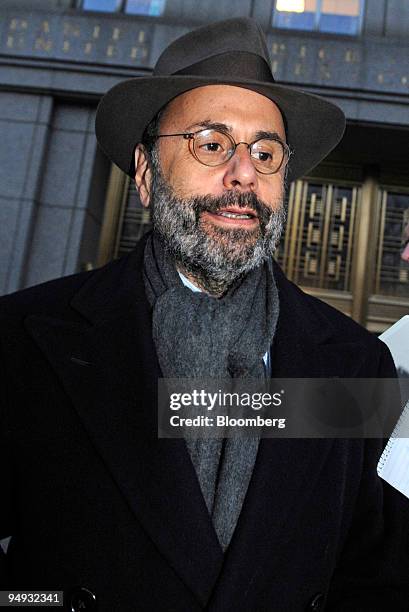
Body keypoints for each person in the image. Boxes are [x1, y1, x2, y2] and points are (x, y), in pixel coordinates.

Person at [0, 17, 408, 612]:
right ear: (145, 171)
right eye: (211, 144)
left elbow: (373, 575)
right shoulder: (26, 338)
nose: (244, 174)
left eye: (267, 153)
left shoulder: (354, 363)